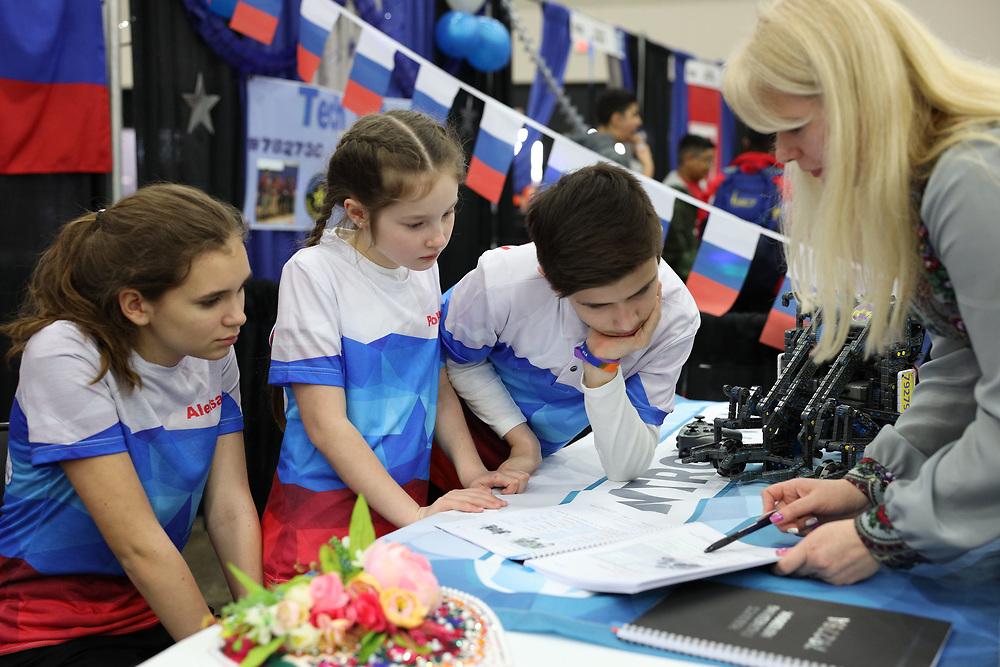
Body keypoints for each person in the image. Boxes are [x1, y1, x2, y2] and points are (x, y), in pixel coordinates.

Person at [723, 0, 1000, 584]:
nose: (782, 155)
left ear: (857, 97)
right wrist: (869, 484)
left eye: (794, 127)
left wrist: (886, 532)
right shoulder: (932, 180)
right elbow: (964, 363)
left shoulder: (971, 177)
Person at [262, 110, 527, 585]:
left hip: (406, 507)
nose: (439, 236)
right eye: (416, 222)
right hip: (324, 521)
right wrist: (416, 515)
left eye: (448, 212)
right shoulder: (313, 272)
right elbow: (326, 427)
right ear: (358, 211)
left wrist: (469, 469)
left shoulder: (421, 262)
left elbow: (434, 377)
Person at [0, 184, 262, 665]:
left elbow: (228, 505)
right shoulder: (65, 353)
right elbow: (139, 548)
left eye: (241, 287)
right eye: (211, 300)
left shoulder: (213, 349)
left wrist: (261, 623)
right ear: (136, 305)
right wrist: (225, 658)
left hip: (151, 607)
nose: (238, 315)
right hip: (47, 628)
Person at [432, 163, 700, 490]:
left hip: (526, 468)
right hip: (431, 433)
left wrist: (602, 366)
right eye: (596, 305)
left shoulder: (676, 317)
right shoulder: (501, 282)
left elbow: (625, 466)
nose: (627, 321)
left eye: (641, 291)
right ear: (548, 277)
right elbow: (457, 361)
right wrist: (521, 439)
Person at [712, 128, 786, 313]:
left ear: (745, 142)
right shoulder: (782, 180)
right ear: (773, 145)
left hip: (723, 267)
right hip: (766, 272)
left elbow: (705, 220)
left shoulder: (724, 177)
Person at [661, 134, 716, 280]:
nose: (709, 167)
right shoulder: (671, 194)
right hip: (682, 274)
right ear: (689, 158)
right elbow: (677, 247)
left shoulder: (702, 188)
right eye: (706, 160)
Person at [576, 88, 655, 177]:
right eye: (634, 115)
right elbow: (624, 191)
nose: (639, 122)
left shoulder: (578, 142)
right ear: (616, 119)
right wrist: (648, 165)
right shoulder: (614, 158)